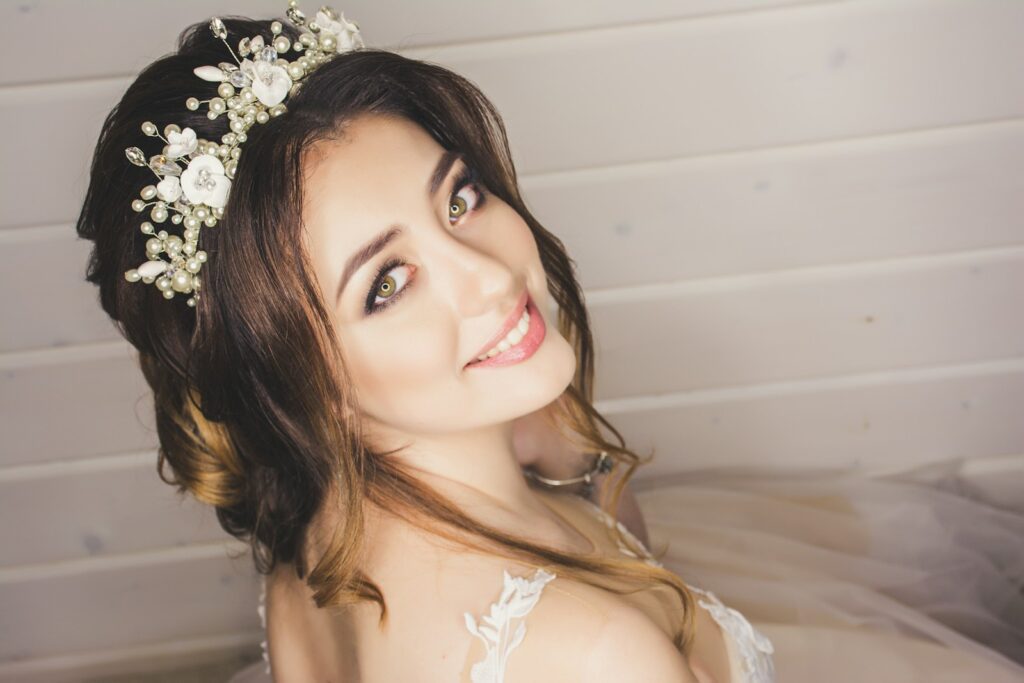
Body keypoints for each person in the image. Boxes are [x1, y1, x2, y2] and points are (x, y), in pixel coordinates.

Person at [73, 4, 1022, 682]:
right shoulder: (596, 653)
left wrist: (571, 465)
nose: (491, 275)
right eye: (387, 282)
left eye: (459, 197)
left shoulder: (314, 546)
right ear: (294, 375)